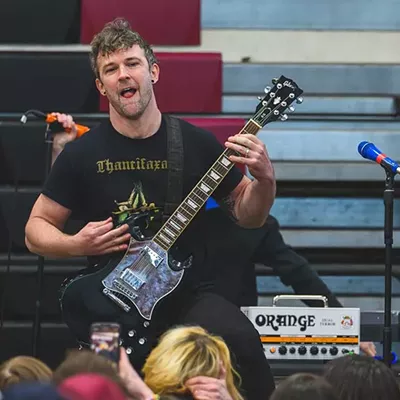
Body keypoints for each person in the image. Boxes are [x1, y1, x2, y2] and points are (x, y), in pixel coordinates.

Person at [24, 18, 276, 400]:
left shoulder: (196, 143)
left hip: (186, 291)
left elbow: (248, 214)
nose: (123, 75)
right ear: (101, 86)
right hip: (112, 300)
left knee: (243, 342)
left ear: (153, 71)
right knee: (99, 383)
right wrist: (77, 244)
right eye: (111, 69)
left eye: (132, 63)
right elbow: (35, 229)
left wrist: (266, 181)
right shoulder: (82, 154)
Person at [202, 204, 377, 356]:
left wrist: (345, 328)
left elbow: (297, 272)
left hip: (227, 339)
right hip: (214, 333)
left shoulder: (251, 222)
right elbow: (296, 271)